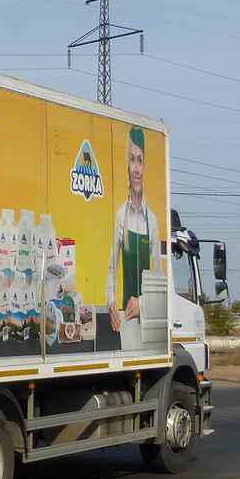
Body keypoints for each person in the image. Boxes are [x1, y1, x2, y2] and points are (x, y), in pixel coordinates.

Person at [106, 126, 161, 334]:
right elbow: (112, 269)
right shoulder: (121, 216)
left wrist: (143, 303)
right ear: (127, 166)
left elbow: (158, 280)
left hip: (148, 323)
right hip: (125, 321)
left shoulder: (152, 222)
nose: (136, 168)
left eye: (140, 160)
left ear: (144, 166)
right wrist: (111, 302)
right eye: (132, 159)